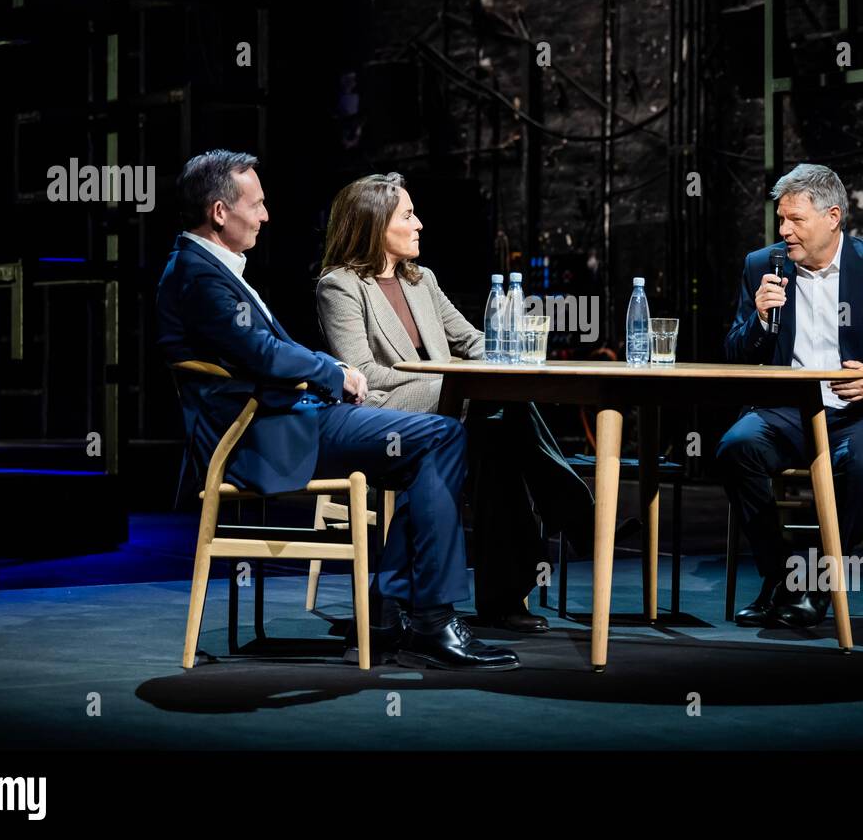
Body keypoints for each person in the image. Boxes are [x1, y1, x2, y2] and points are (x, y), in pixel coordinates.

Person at [156, 150, 519, 671]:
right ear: (219, 212)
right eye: (256, 205)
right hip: (260, 436)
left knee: (436, 442)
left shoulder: (210, 269)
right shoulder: (198, 275)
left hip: (286, 419)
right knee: (439, 437)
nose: (265, 215)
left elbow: (265, 351)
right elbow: (262, 353)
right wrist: (334, 372)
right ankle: (427, 620)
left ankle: (395, 612)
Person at [315, 172, 593, 632]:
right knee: (492, 406)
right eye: (407, 215)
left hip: (453, 412)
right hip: (384, 414)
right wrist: (455, 380)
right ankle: (565, 517)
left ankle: (505, 591)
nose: (419, 223)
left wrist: (515, 355)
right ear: (373, 225)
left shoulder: (422, 281)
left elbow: (473, 341)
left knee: (498, 435)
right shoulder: (340, 285)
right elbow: (360, 373)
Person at [717, 163, 863, 630]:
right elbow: (734, 351)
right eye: (781, 219)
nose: (784, 230)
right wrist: (759, 318)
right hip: (787, 412)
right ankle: (782, 575)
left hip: (861, 413)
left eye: (796, 220)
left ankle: (819, 583)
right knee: (736, 448)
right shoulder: (762, 266)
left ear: (833, 217)